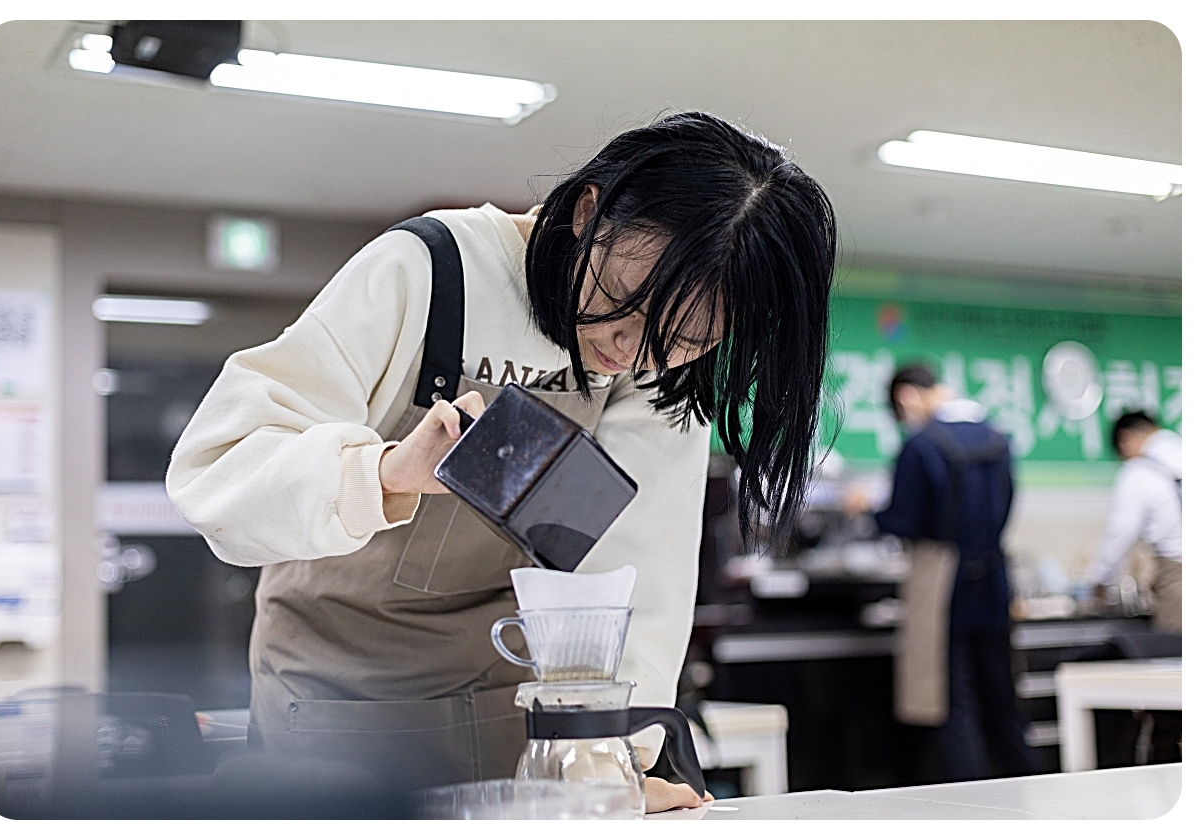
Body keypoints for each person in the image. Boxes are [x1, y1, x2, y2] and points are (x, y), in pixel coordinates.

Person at [166, 111, 837, 811]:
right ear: (588, 213)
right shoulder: (430, 268)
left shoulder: (657, 368)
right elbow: (219, 469)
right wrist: (382, 475)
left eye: (685, 339)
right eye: (620, 303)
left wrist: (615, 757)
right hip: (340, 692)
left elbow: (637, 569)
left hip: (512, 699)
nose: (630, 351)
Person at [843, 363, 1040, 783]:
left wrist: (868, 509)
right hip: (995, 578)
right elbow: (1010, 503)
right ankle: (1027, 785)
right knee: (1001, 695)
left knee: (951, 700)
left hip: (942, 581)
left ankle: (967, 801)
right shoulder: (998, 439)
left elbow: (903, 519)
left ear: (907, 397)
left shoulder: (921, 446)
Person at [1086, 410, 1182, 633]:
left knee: (1177, 651)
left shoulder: (1138, 470)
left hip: (1178, 576)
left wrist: (1102, 580)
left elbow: (1121, 532)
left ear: (1126, 439)